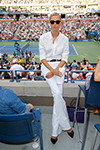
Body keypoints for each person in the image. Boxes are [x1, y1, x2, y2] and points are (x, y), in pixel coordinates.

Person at [39, 12, 74, 145]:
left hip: (59, 68)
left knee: (57, 97)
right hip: (47, 68)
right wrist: (52, 71)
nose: (55, 24)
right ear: (49, 23)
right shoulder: (43, 37)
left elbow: (65, 58)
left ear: (61, 23)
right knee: (58, 94)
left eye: (57, 22)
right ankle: (67, 127)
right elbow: (42, 58)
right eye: (52, 22)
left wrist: (55, 70)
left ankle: (54, 133)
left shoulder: (65, 39)